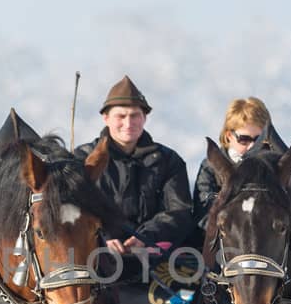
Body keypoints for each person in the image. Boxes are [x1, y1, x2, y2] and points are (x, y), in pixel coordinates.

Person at [74, 76, 194, 273]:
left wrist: (145, 237)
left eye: (135, 116)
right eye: (120, 116)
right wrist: (102, 238)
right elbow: (74, 213)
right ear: (106, 118)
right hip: (96, 264)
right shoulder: (81, 160)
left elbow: (179, 212)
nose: (128, 123)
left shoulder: (169, 161)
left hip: (155, 263)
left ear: (144, 118)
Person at [192, 96, 272, 235]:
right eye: (244, 139)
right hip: (222, 242)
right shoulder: (211, 167)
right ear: (229, 135)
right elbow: (204, 214)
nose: (253, 146)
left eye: (259, 139)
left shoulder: (271, 168)